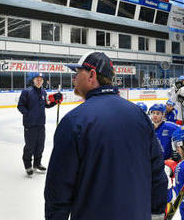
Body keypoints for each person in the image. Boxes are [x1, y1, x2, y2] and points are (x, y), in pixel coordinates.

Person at [44, 52, 167, 220]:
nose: (74, 78)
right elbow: (157, 171)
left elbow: (58, 188)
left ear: (91, 75)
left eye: (77, 73)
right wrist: (157, 211)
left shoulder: (74, 121)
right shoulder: (139, 115)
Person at [17, 72, 63, 176]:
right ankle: (28, 165)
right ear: (33, 80)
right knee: (30, 146)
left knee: (40, 146)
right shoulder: (26, 92)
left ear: (43, 81)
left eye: (41, 79)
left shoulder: (43, 92)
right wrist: (28, 114)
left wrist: (56, 101)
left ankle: (37, 164)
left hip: (41, 123)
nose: (39, 81)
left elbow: (47, 105)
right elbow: (20, 106)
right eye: (37, 79)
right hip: (30, 124)